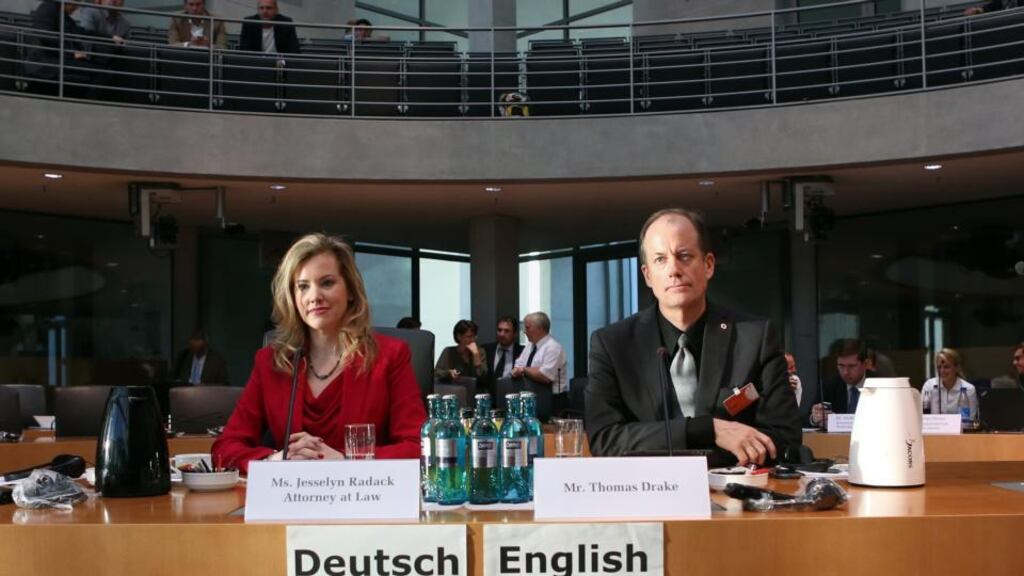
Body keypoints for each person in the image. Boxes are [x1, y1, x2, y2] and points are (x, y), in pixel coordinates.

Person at [586, 208, 801, 466]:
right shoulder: (612, 344)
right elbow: (605, 440)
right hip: (648, 497)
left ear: (708, 265)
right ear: (647, 276)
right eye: (660, 260)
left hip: (735, 496)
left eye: (684, 256)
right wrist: (707, 430)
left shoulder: (756, 337)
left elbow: (784, 438)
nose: (674, 270)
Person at [212, 234, 425, 473]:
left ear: (351, 291)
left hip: (364, 499)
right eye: (303, 286)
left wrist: (347, 461)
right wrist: (275, 461)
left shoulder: (390, 356)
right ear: (292, 297)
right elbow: (225, 448)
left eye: (327, 283)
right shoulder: (270, 362)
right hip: (292, 499)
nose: (314, 296)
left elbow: (418, 447)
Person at [809, 339, 873, 427]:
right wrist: (815, 418)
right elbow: (806, 421)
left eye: (851, 366)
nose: (845, 372)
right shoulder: (829, 386)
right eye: (841, 366)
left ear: (865, 364)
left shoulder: (879, 386)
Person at [511, 311, 567, 397]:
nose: (524, 331)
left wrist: (524, 370)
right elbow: (517, 366)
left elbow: (545, 376)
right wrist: (528, 370)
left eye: (527, 328)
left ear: (540, 328)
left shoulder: (553, 347)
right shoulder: (530, 345)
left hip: (552, 399)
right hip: (532, 395)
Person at [921, 348, 978, 420]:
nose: (942, 371)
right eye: (939, 367)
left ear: (957, 368)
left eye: (946, 367)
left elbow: (970, 420)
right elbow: (921, 416)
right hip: (933, 430)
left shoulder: (968, 389)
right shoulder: (929, 386)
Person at [481, 315, 525, 396]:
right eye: (499, 330)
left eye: (507, 331)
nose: (502, 334)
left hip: (513, 397)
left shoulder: (522, 352)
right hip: (490, 398)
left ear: (515, 334)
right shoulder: (486, 350)